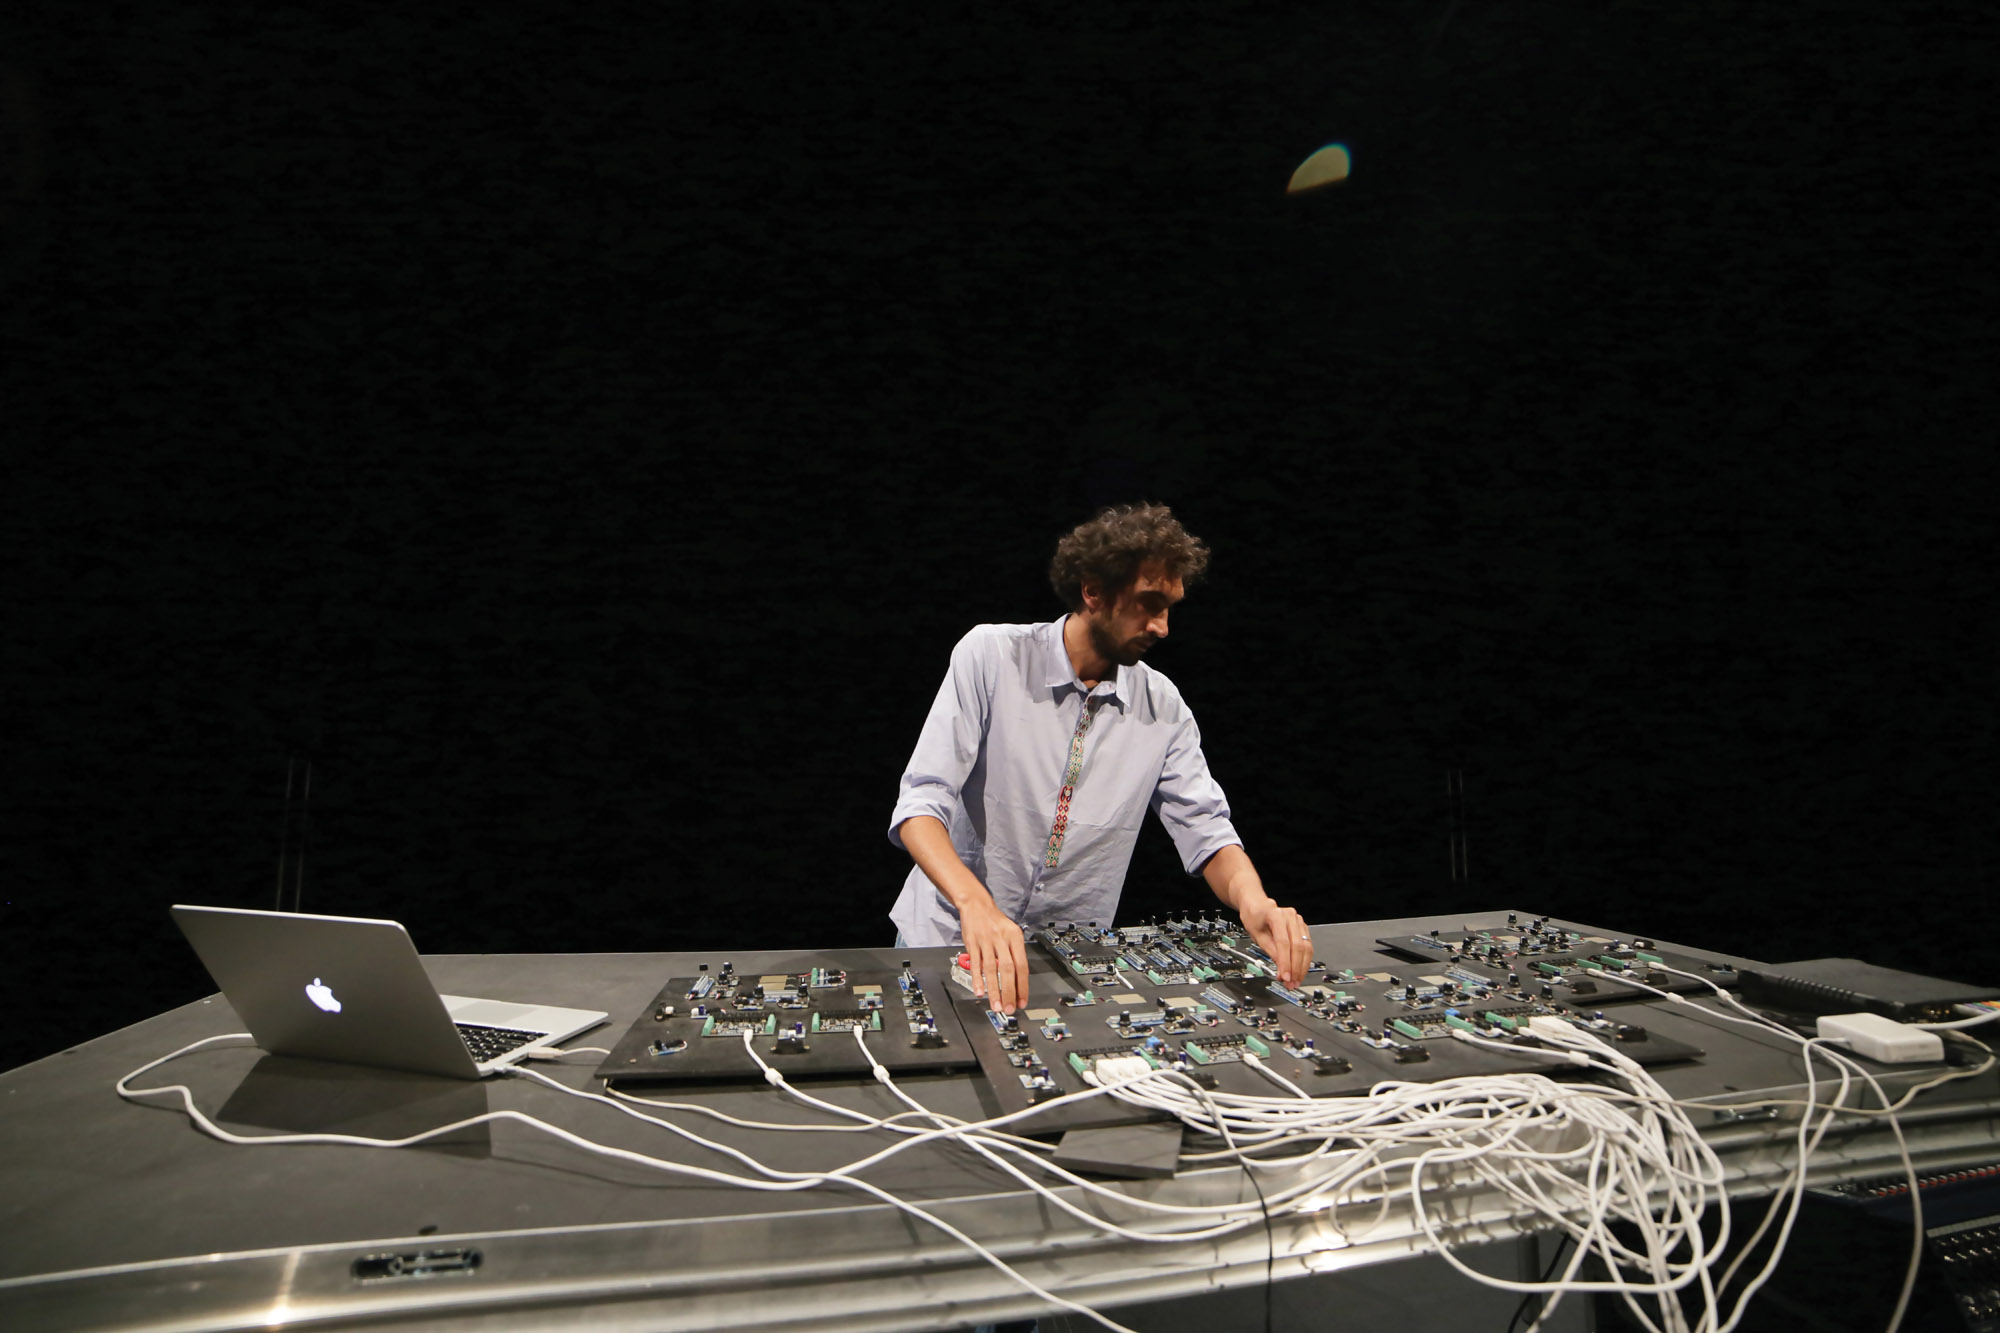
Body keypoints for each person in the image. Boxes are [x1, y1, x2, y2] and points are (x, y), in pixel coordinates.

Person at [887, 502, 1314, 1013]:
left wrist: (1255, 901)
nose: (1162, 626)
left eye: (1170, 606)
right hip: (945, 941)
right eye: (1148, 603)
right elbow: (920, 805)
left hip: (1063, 963)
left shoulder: (1165, 707)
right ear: (1092, 591)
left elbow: (1207, 830)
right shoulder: (992, 656)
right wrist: (976, 905)